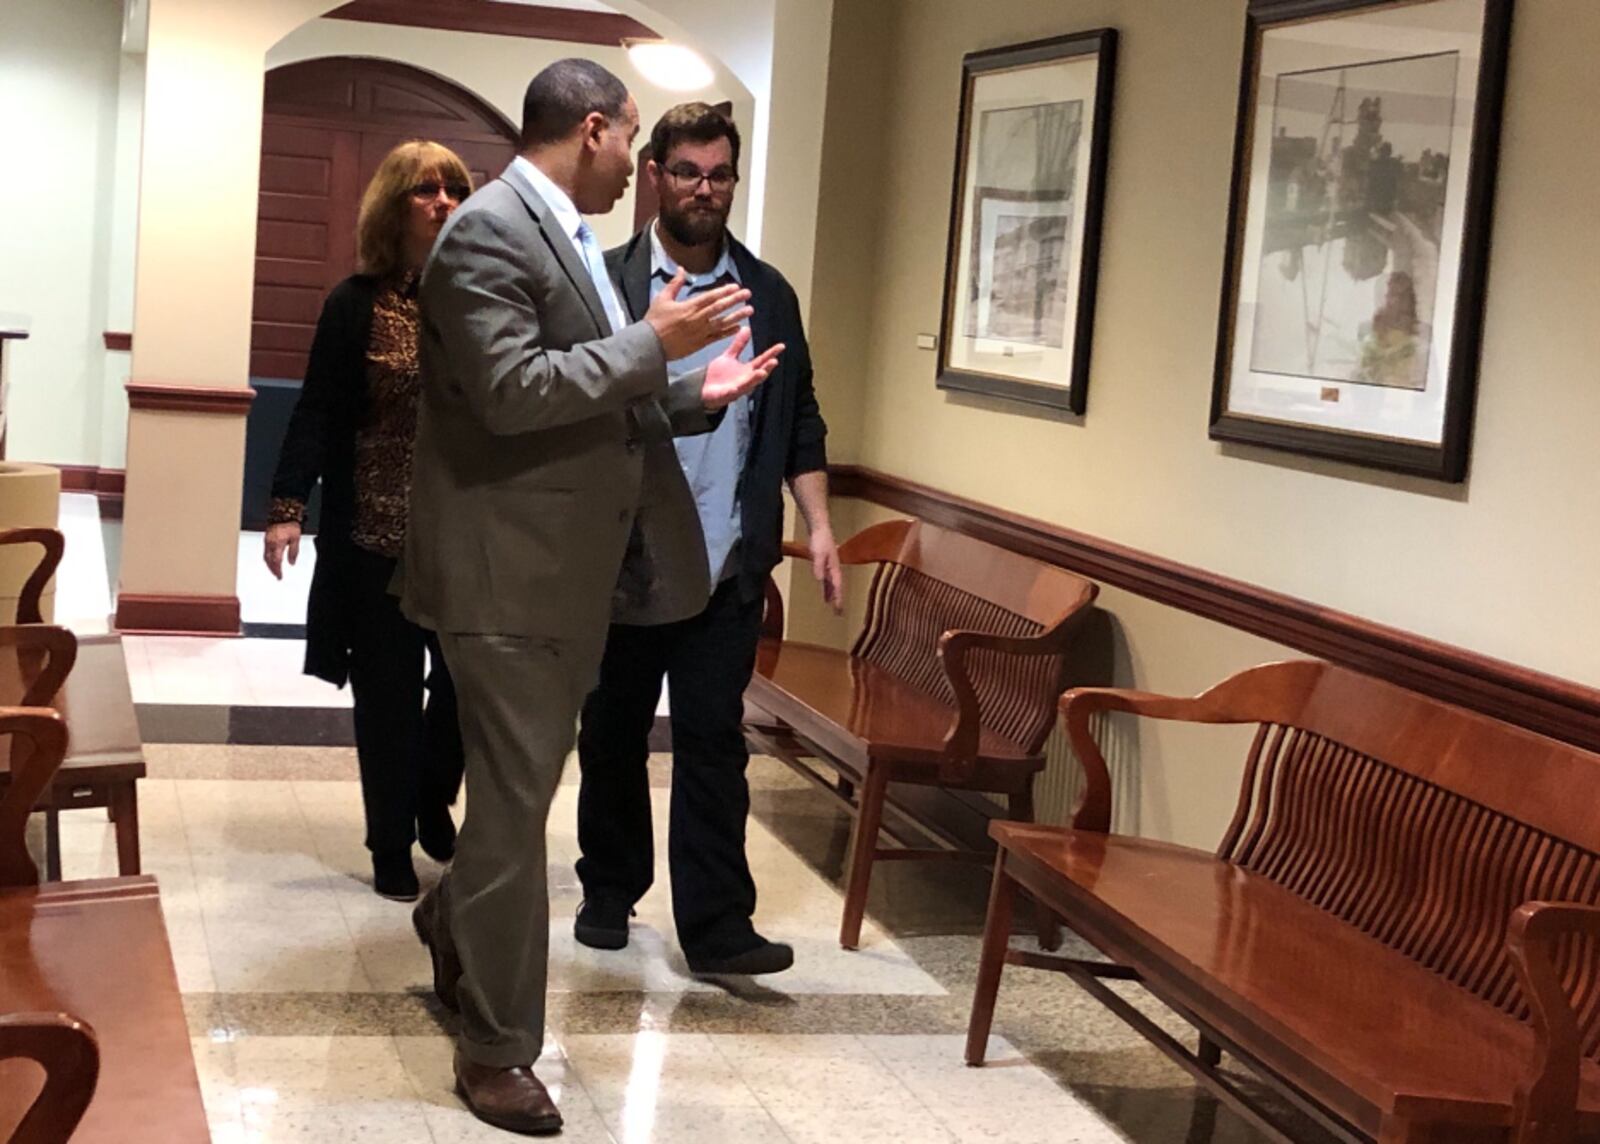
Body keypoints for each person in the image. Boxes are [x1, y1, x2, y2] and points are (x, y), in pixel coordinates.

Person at [401, 61, 782, 1135]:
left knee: (515, 806)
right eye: (632, 146)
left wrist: (682, 390)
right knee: (519, 818)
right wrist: (650, 345)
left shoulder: (557, 224)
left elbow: (584, 385)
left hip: (566, 575)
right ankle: (496, 1051)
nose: (645, 174)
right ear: (593, 128)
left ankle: (451, 918)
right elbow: (515, 391)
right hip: (506, 574)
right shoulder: (486, 232)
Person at [573, 103, 837, 976]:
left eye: (719, 174)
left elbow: (798, 418)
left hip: (728, 563)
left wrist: (822, 528)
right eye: (687, 171)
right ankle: (610, 889)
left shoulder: (767, 294)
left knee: (715, 742)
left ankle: (719, 925)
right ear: (654, 173)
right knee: (612, 729)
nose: (704, 189)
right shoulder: (605, 286)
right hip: (624, 559)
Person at [264, 140, 469, 903]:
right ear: (395, 205)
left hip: (462, 538)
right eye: (425, 190)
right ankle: (390, 841)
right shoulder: (355, 303)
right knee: (387, 698)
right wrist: (288, 508)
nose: (443, 201)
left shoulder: (480, 300)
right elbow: (316, 410)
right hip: (376, 539)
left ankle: (428, 793)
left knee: (459, 693)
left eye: (453, 188)